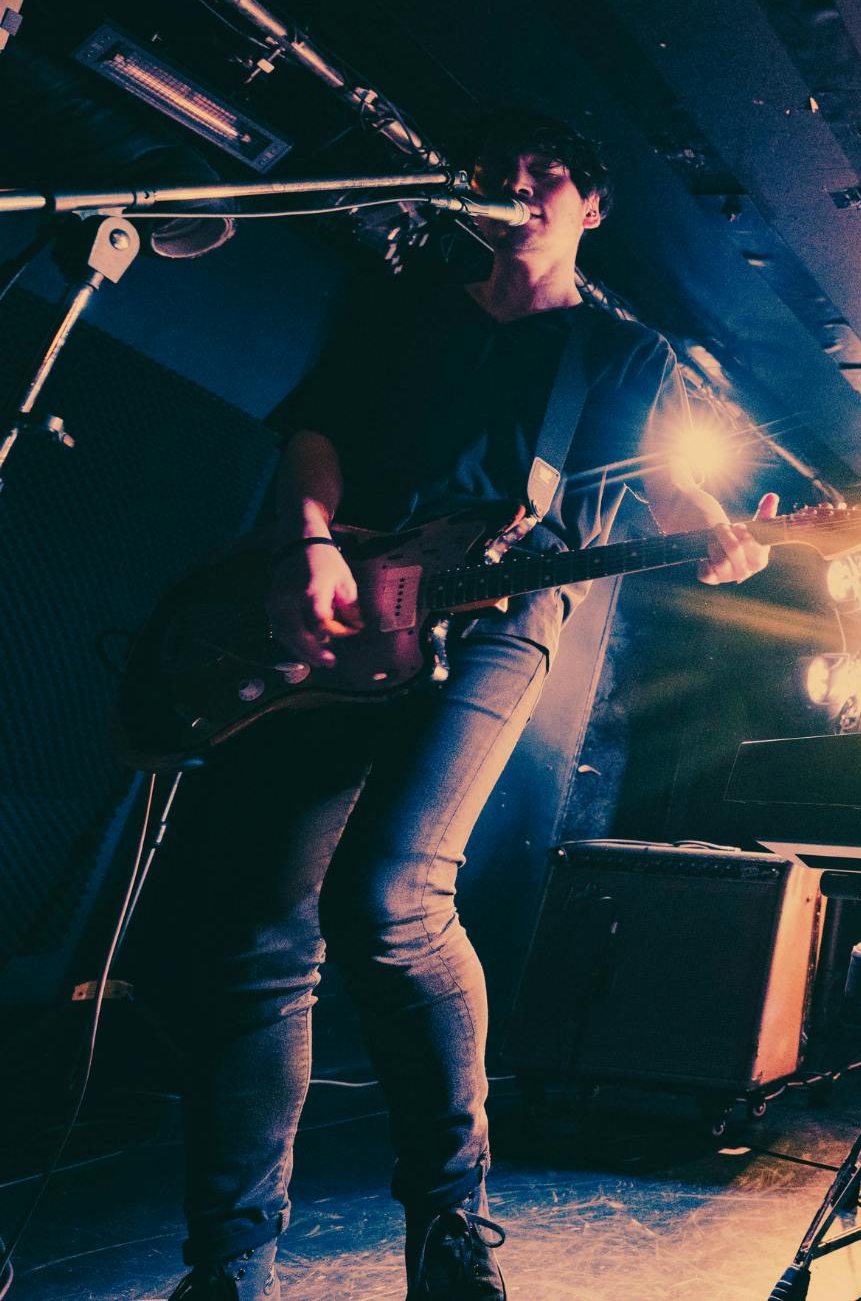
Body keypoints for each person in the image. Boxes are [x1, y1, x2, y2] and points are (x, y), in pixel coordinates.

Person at [160, 113, 773, 1301]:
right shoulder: (404, 308)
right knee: (256, 930)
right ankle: (229, 1264)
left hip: (496, 621)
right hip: (343, 606)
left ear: (592, 207)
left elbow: (663, 480)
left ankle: (449, 1227)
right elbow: (316, 434)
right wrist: (305, 544)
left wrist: (720, 532)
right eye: (501, 173)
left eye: (549, 174)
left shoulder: (621, 351)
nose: (520, 189)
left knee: (390, 894)